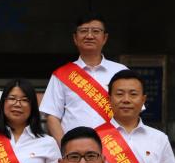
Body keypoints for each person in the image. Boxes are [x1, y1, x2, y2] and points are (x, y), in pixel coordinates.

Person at [40, 13, 128, 143]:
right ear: (75, 38)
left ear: (105, 38)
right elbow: (52, 116)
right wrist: (65, 148)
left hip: (114, 148)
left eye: (96, 31)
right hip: (74, 150)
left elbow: (132, 112)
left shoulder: (121, 71)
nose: (89, 36)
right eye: (84, 31)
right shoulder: (62, 74)